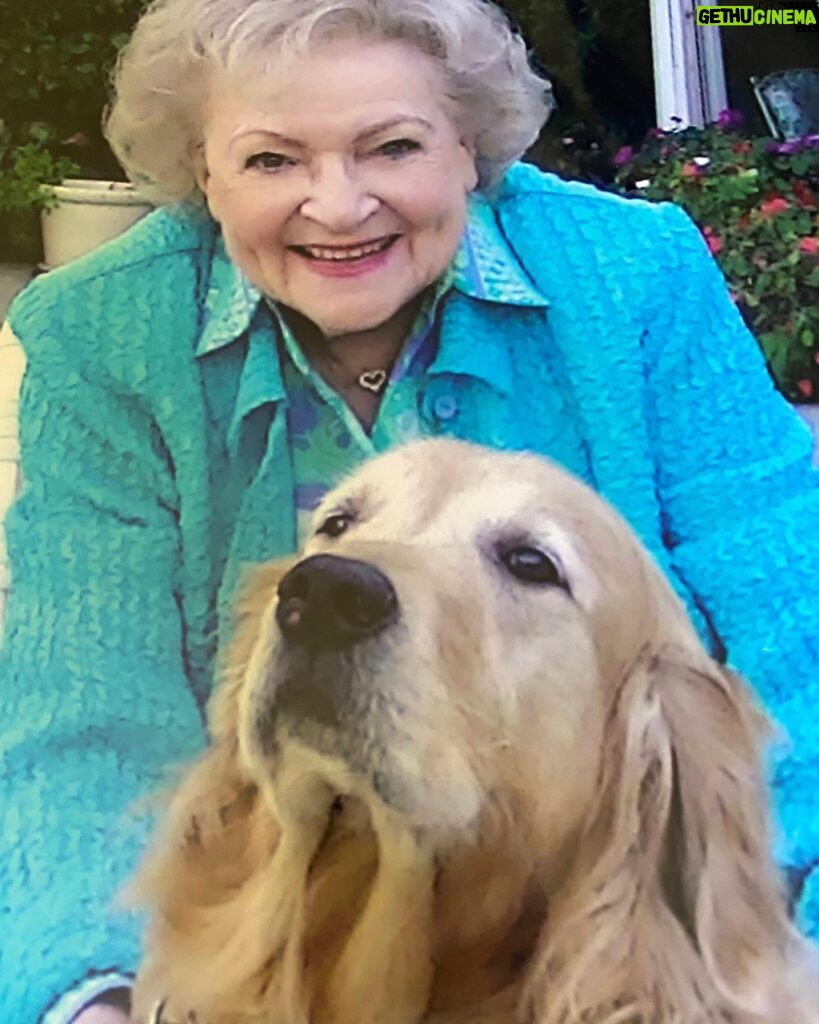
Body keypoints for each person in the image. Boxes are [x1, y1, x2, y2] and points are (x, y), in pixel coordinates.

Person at [1, 0, 818, 1019]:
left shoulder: (634, 276)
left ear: (470, 149)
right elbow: (84, 709)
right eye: (270, 161)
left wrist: (759, 953)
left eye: (391, 146)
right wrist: (96, 997)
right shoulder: (104, 335)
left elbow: (799, 623)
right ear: (200, 175)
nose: (338, 207)